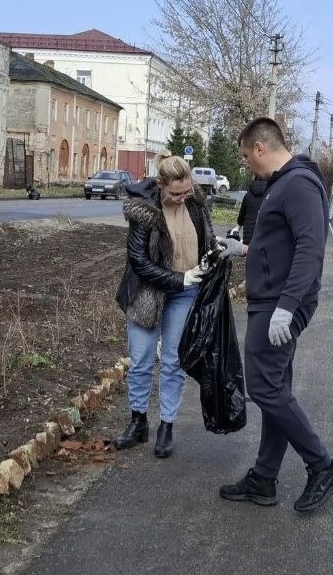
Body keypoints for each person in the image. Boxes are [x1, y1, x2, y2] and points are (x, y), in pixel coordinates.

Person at [218, 117, 333, 513]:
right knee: (274, 387)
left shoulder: (299, 184)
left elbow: (310, 249)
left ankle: (322, 466)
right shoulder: (283, 183)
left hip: (280, 304)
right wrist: (243, 250)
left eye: (246, 156)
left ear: (261, 148)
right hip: (272, 300)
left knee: (263, 387)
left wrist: (287, 307)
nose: (246, 165)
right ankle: (264, 477)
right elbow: (282, 245)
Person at [113, 151, 216, 459]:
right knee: (141, 360)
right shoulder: (144, 210)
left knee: (173, 362)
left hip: (185, 295)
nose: (182, 199)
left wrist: (214, 254)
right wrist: (180, 278)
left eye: (186, 192)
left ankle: (166, 426)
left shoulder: (195, 204)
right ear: (160, 185)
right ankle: (138, 422)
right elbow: (139, 261)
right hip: (147, 293)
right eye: (175, 194)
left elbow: (207, 240)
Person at [237, 175, 266, 245]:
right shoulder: (270, 194)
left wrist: (237, 228)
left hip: (247, 237)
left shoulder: (248, 194)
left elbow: (241, 216)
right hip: (262, 237)